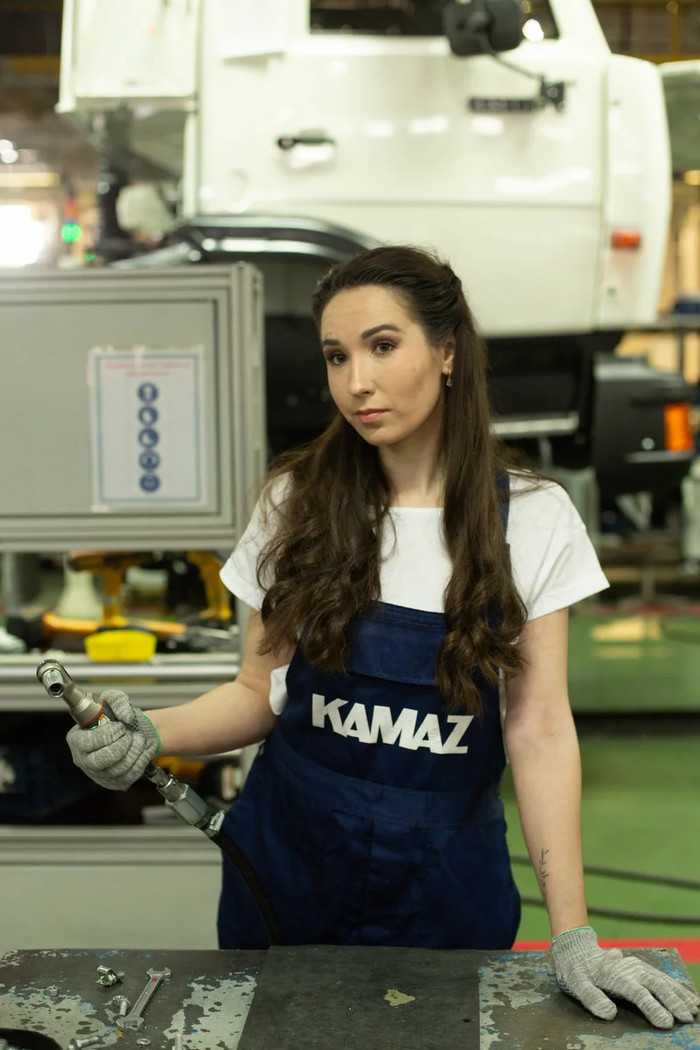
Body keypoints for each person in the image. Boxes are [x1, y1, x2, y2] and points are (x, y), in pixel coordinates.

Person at [68, 246, 699, 1030]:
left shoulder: (535, 520)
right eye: (337, 357)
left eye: (382, 346)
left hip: (446, 886)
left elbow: (537, 729)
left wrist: (572, 933)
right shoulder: (295, 503)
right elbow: (257, 693)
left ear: (447, 352)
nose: (356, 383)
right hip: (288, 866)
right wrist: (147, 733)